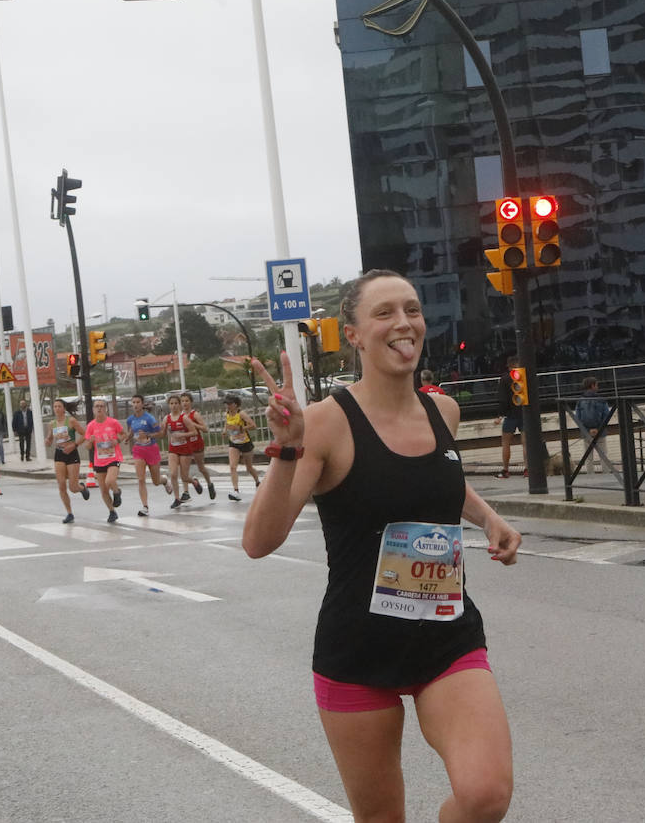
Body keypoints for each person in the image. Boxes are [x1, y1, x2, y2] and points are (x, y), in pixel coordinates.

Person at [244, 269, 521, 823]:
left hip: (447, 637)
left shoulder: (443, 411)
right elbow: (258, 541)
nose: (404, 323)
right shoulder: (325, 424)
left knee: (485, 794)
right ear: (352, 334)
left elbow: (422, 477)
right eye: (385, 312)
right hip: (358, 650)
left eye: (412, 310)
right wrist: (288, 450)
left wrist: (487, 517)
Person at [125, 395, 171, 517]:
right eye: (133, 402)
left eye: (137, 402)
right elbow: (131, 431)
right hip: (138, 450)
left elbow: (160, 433)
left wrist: (148, 435)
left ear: (142, 404)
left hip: (151, 450)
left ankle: (165, 480)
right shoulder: (130, 419)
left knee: (156, 481)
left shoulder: (150, 418)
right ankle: (145, 507)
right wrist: (127, 438)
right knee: (141, 479)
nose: (135, 404)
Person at [46, 398, 89, 523]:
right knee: (61, 485)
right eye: (55, 406)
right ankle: (69, 513)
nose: (57, 409)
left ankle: (82, 488)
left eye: (59, 406)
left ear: (64, 408)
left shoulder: (71, 421)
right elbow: (49, 438)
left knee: (73, 487)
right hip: (59, 454)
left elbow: (85, 434)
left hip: (71, 454)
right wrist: (48, 441)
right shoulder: (52, 423)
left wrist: (74, 445)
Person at [84, 399, 126, 523]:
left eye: (102, 406)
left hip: (113, 457)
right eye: (97, 406)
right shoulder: (91, 426)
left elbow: (123, 434)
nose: (99, 408)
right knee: (103, 489)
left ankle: (117, 492)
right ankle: (112, 511)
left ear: (106, 408)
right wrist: (90, 441)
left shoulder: (113, 422)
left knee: (110, 480)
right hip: (99, 460)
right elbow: (87, 446)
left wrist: (117, 440)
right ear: (93, 409)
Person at [223, 394, 261, 501]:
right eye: (226, 403)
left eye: (230, 404)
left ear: (236, 404)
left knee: (249, 467)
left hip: (245, 442)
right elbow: (227, 423)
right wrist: (225, 431)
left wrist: (241, 428)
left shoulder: (241, 414)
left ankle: (258, 482)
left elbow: (253, 425)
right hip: (233, 442)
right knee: (232, 466)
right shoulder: (226, 414)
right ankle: (236, 491)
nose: (228, 406)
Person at [181, 391, 217, 500]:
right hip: (185, 445)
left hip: (196, 443)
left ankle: (210, 484)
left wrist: (194, 424)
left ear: (191, 402)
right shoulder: (180, 415)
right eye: (182, 401)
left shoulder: (194, 414)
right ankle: (186, 492)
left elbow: (205, 429)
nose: (184, 403)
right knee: (184, 470)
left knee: (201, 467)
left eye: (187, 401)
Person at [573, 376, 611, 474]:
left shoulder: (580, 401)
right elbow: (606, 416)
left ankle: (590, 476)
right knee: (603, 455)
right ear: (593, 385)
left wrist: (587, 430)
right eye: (596, 385)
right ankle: (606, 475)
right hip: (600, 432)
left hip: (586, 432)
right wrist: (599, 429)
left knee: (588, 456)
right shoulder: (602, 400)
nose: (597, 387)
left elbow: (577, 418)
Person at [494, 355, 524, 479]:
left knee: (506, 442)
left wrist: (500, 415)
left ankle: (506, 470)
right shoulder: (524, 376)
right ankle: (528, 469)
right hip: (524, 413)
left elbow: (503, 399)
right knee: (526, 443)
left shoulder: (505, 378)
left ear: (508, 365)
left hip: (510, 414)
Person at [163, 394, 193, 509]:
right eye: (171, 404)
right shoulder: (167, 418)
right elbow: (162, 433)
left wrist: (182, 435)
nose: (174, 406)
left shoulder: (184, 417)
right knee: (173, 474)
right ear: (169, 405)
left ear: (179, 405)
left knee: (184, 477)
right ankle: (176, 498)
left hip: (185, 448)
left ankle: (194, 482)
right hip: (173, 449)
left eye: (176, 403)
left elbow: (194, 432)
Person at [12, 397, 34, 461]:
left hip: (28, 429)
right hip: (20, 430)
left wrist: (32, 427)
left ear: (26, 404)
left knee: (28, 443)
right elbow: (14, 422)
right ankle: (22, 455)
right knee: (21, 443)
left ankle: (27, 456)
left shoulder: (30, 412)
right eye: (21, 404)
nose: (22, 405)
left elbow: (32, 420)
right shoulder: (17, 413)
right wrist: (14, 430)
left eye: (23, 403)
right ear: (20, 405)